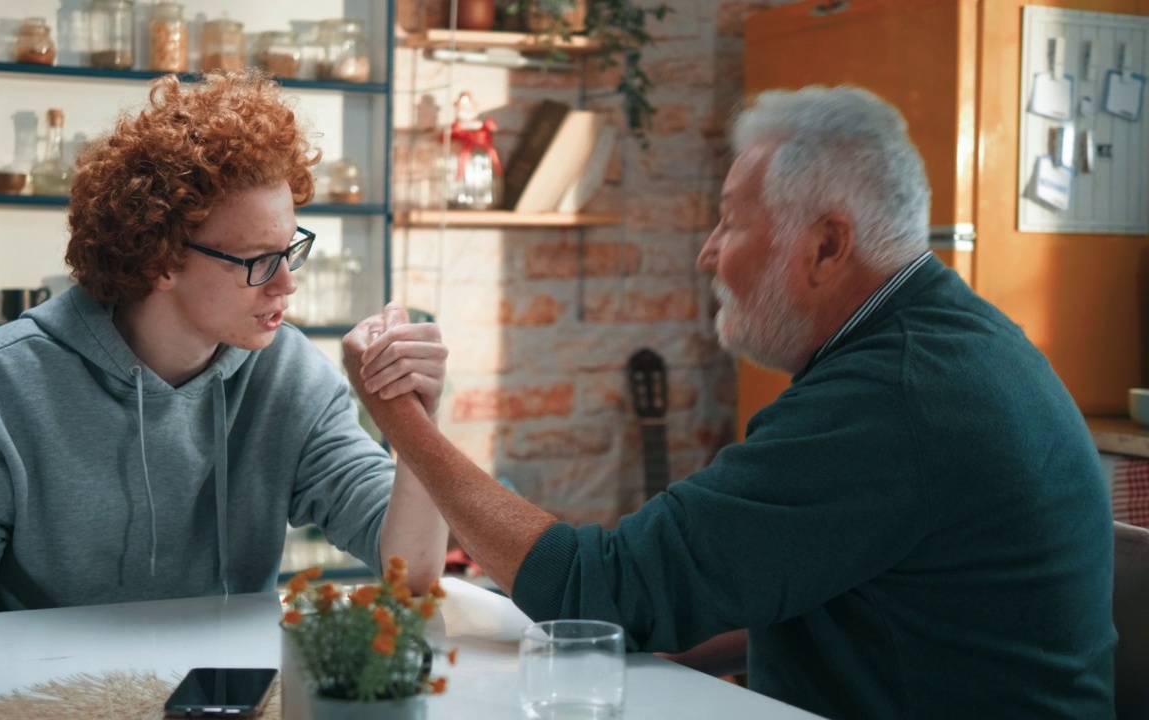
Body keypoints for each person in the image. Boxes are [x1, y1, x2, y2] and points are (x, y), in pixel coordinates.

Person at [343, 86, 1115, 717]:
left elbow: (599, 587)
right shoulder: (946, 342)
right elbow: (792, 596)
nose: (707, 250)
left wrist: (400, 413)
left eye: (731, 221)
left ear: (826, 246)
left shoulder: (894, 398)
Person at [0, 71, 448, 616]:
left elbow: (410, 568)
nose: (287, 283)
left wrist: (415, 419)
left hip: (225, 698)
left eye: (290, 250)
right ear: (160, 258)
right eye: (258, 260)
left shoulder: (289, 374)